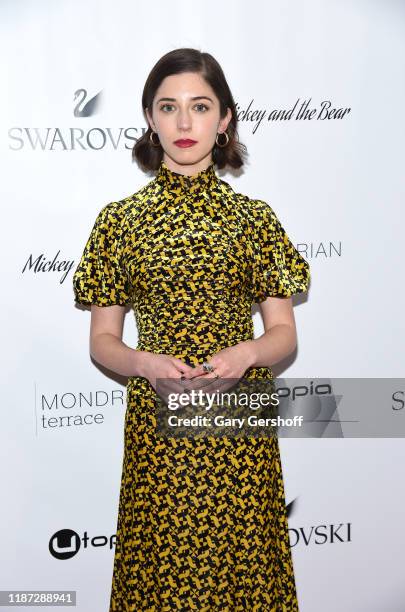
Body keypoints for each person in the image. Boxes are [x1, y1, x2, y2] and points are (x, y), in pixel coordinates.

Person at [72, 47, 310, 611]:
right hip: (160, 422)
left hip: (238, 425)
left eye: (200, 107)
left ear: (224, 119)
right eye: (168, 107)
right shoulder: (119, 221)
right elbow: (102, 340)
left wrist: (248, 353)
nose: (184, 123)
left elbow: (284, 334)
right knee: (160, 570)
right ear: (149, 118)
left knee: (244, 565)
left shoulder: (254, 220)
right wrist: (145, 364)